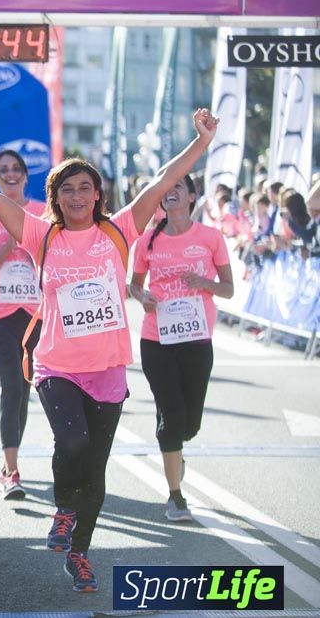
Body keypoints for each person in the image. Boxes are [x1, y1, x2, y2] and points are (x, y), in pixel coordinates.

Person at [0, 108, 218, 593]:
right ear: (55, 197)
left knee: (95, 470)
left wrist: (200, 142)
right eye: (66, 189)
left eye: (84, 188)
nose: (76, 196)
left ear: (98, 194)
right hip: (57, 365)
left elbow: (166, 179)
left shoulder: (119, 231)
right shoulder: (42, 233)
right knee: (73, 441)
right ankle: (62, 509)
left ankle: (79, 552)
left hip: (108, 369)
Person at [130, 174, 233, 522]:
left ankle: (176, 446)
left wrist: (205, 283)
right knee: (172, 418)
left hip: (196, 339)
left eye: (177, 187)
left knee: (189, 425)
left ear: (191, 195)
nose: (169, 193)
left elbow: (229, 289)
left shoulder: (210, 237)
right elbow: (134, 284)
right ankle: (175, 496)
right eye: (164, 188)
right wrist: (142, 297)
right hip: (156, 339)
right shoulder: (147, 241)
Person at [0, 150, 46, 500]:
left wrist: (30, 252)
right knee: (11, 388)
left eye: (16, 169)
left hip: (34, 314)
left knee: (25, 390)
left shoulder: (42, 212)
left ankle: (8, 463)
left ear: (25, 176)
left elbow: (54, 262)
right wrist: (7, 250)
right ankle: (11, 471)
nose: (11, 175)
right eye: (3, 171)